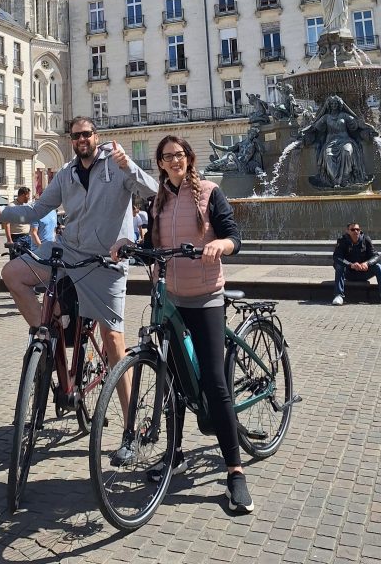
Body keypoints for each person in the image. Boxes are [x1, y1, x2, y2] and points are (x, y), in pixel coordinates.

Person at [0, 116, 158, 460]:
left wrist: (129, 165)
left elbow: (153, 192)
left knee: (113, 342)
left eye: (87, 134)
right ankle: (49, 333)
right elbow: (36, 210)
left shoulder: (117, 166)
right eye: (76, 136)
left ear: (96, 136)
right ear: (71, 140)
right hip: (68, 251)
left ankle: (131, 429)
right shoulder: (67, 173)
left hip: (106, 261)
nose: (82, 140)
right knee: (13, 273)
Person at [109, 135, 253, 514]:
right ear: (159, 163)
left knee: (214, 382)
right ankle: (175, 454)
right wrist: (128, 242)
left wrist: (219, 247)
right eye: (166, 157)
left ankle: (235, 472)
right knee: (172, 381)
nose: (173, 161)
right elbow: (150, 238)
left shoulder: (209, 191)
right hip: (171, 297)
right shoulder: (158, 200)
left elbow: (234, 235)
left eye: (178, 155)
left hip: (205, 295)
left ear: (189, 159)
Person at [301, 95, 377, 188]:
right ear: (329, 105)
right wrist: (303, 132)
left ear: (339, 105)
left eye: (336, 103)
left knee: (347, 152)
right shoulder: (326, 117)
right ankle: (335, 181)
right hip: (330, 143)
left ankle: (345, 178)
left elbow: (358, 123)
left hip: (345, 140)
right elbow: (314, 127)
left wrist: (370, 128)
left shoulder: (344, 116)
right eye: (332, 103)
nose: (334, 105)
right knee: (328, 156)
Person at [332, 222, 381, 306]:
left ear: (360, 231)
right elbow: (337, 257)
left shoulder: (366, 239)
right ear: (347, 231)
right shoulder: (342, 241)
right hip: (349, 274)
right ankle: (338, 296)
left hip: (364, 273)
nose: (355, 231)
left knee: (378, 266)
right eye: (352, 229)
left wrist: (367, 263)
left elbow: (376, 256)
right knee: (339, 266)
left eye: (357, 229)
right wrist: (350, 265)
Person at [4, 186, 32, 258]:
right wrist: (9, 240)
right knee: (16, 260)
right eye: (28, 196)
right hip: (16, 238)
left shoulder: (26, 206)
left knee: (28, 260)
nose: (29, 198)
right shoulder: (12, 206)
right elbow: (7, 224)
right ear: (23, 195)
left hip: (27, 237)